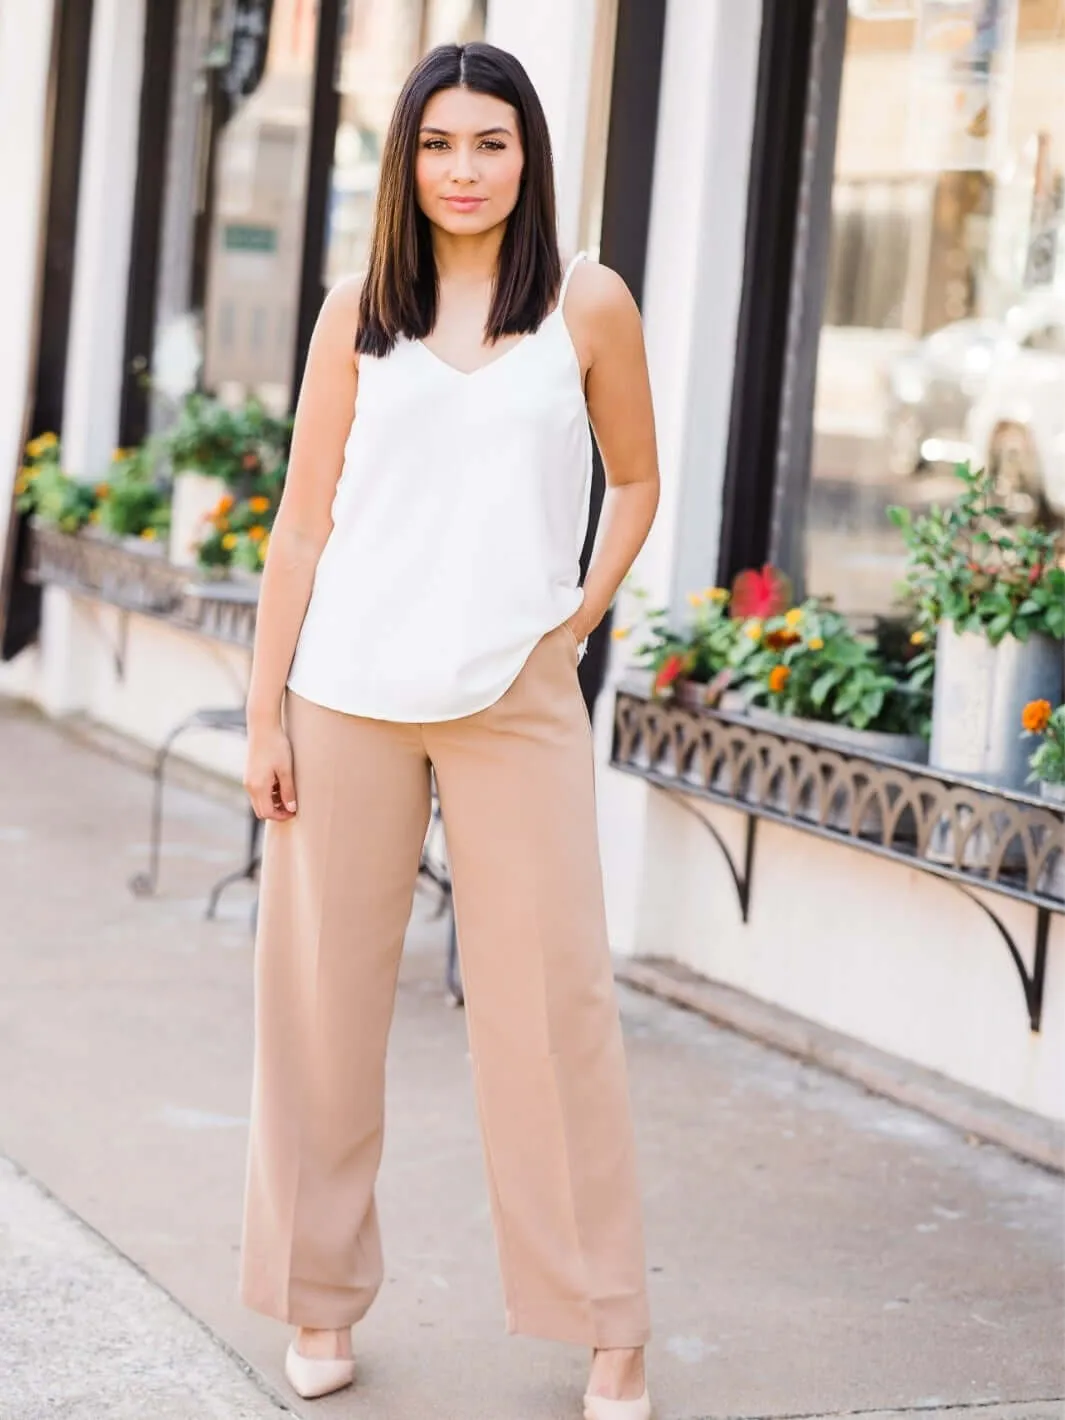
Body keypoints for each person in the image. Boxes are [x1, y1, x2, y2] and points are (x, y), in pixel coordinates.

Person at [238, 40, 660, 1420]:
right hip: (346, 691)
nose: (463, 170)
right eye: (437, 144)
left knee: (553, 1014)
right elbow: (301, 525)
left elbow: (638, 478)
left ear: (529, 153)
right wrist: (265, 717)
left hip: (514, 697)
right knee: (320, 1012)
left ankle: (608, 1323)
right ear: (404, 160)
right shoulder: (355, 308)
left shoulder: (586, 301)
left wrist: (578, 617)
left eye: (490, 142)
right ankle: (317, 1302)